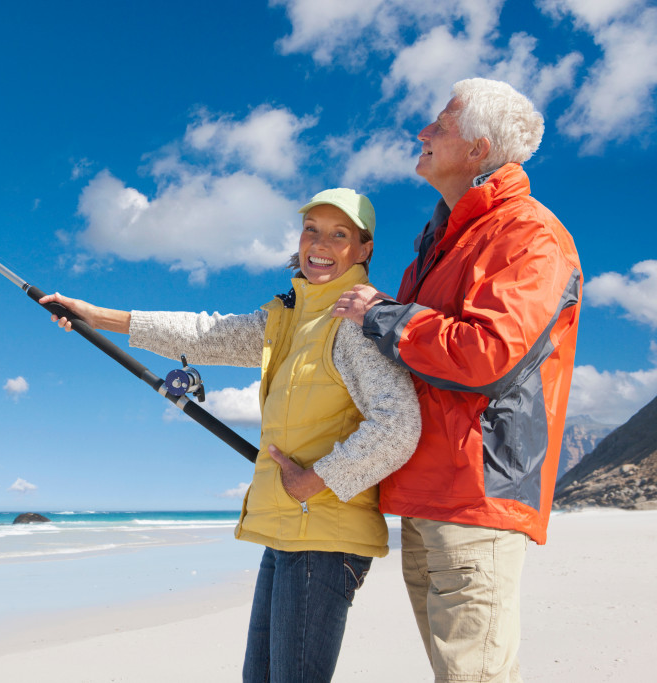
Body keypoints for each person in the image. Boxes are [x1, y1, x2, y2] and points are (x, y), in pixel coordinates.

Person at [41, 188, 421, 682]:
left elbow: (399, 424)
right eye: (312, 229)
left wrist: (317, 480)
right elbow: (204, 334)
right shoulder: (290, 317)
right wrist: (99, 317)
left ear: (364, 249)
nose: (321, 244)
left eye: (339, 234)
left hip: (324, 537)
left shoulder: (356, 323)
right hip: (287, 529)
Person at [334, 78, 581, 682]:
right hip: (428, 493)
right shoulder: (441, 242)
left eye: (440, 124)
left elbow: (485, 354)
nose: (422, 131)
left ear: (478, 149)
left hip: (475, 496)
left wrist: (381, 314)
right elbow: (413, 359)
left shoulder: (528, 233)